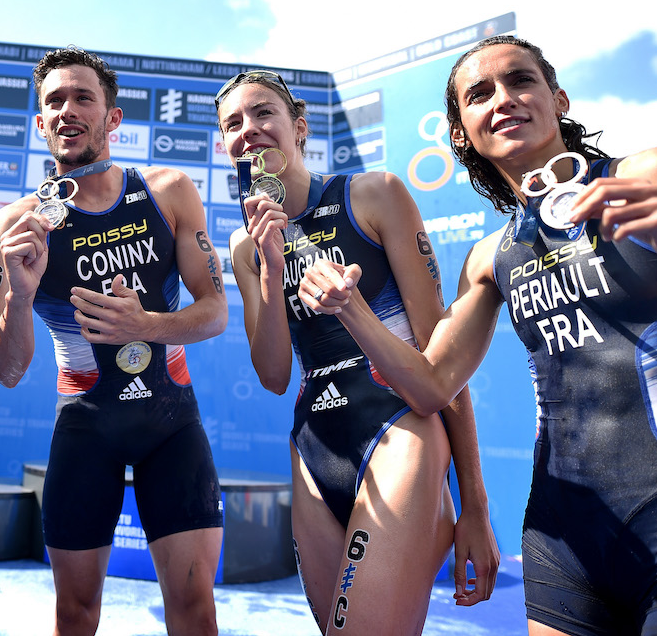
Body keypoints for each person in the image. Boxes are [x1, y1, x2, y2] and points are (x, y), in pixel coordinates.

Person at [300, 35, 657, 635]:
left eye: (521, 81)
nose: (504, 99)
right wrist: (353, 311)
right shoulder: (491, 256)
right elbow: (432, 385)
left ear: (558, 98)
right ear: (461, 133)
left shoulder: (656, 174)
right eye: (480, 93)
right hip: (560, 541)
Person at [214, 70, 499, 635]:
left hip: (399, 429)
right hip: (315, 446)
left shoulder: (374, 194)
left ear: (299, 127)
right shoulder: (244, 245)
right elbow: (272, 374)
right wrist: (272, 267)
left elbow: (442, 358)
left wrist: (475, 505)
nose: (249, 130)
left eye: (263, 113)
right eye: (233, 124)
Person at [0, 46, 228, 636]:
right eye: (54, 102)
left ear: (112, 118)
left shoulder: (168, 190)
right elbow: (8, 368)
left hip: (172, 426)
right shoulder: (10, 228)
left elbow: (215, 312)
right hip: (85, 427)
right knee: (75, 615)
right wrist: (18, 291)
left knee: (194, 611)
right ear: (40, 124)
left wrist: (146, 327)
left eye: (82, 97)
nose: (68, 110)